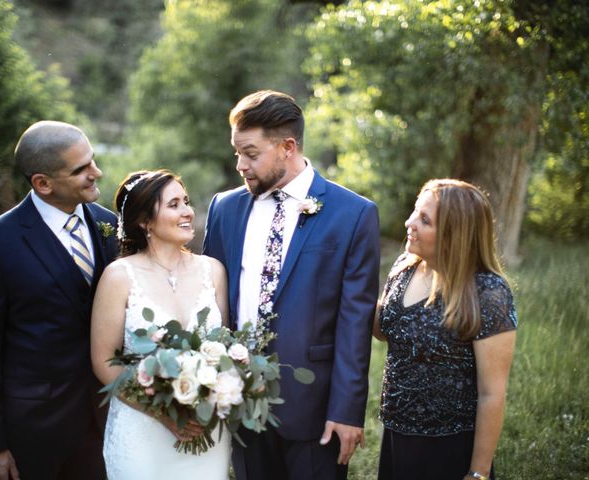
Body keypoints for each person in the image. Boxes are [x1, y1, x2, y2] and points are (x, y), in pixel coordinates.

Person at [203, 90, 380, 480]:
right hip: (240, 403)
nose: (240, 165)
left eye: (250, 154)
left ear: (287, 147)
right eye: (237, 153)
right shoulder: (224, 209)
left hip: (315, 408)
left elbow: (355, 323)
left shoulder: (353, 214)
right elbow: (210, 304)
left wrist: (346, 410)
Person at [0, 120, 118, 479]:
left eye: (92, 160)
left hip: (104, 423)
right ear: (42, 183)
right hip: (31, 432)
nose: (97, 172)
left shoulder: (109, 225)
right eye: (81, 169)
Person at [373, 179, 518, 480]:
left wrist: (477, 473)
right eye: (415, 211)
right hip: (397, 435)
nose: (409, 222)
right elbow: (384, 329)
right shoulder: (404, 267)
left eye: (424, 219)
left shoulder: (487, 292)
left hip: (450, 446)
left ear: (455, 235)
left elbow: (492, 393)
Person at [90, 169, 230, 479]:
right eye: (174, 204)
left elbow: (227, 351)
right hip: (142, 432)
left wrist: (214, 395)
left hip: (205, 431)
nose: (187, 212)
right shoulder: (118, 276)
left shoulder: (213, 271)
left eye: (187, 201)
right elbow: (103, 361)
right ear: (144, 221)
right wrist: (164, 413)